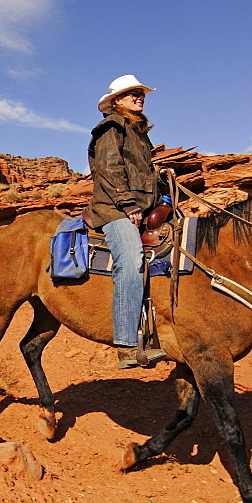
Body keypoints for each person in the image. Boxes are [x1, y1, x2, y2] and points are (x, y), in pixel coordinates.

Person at [87, 74, 167, 368]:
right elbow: (109, 169)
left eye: (141, 93)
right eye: (132, 93)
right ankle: (126, 344)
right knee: (132, 260)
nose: (139, 96)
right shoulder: (112, 126)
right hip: (114, 208)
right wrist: (128, 204)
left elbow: (139, 173)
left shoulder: (139, 132)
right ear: (117, 100)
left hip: (142, 205)